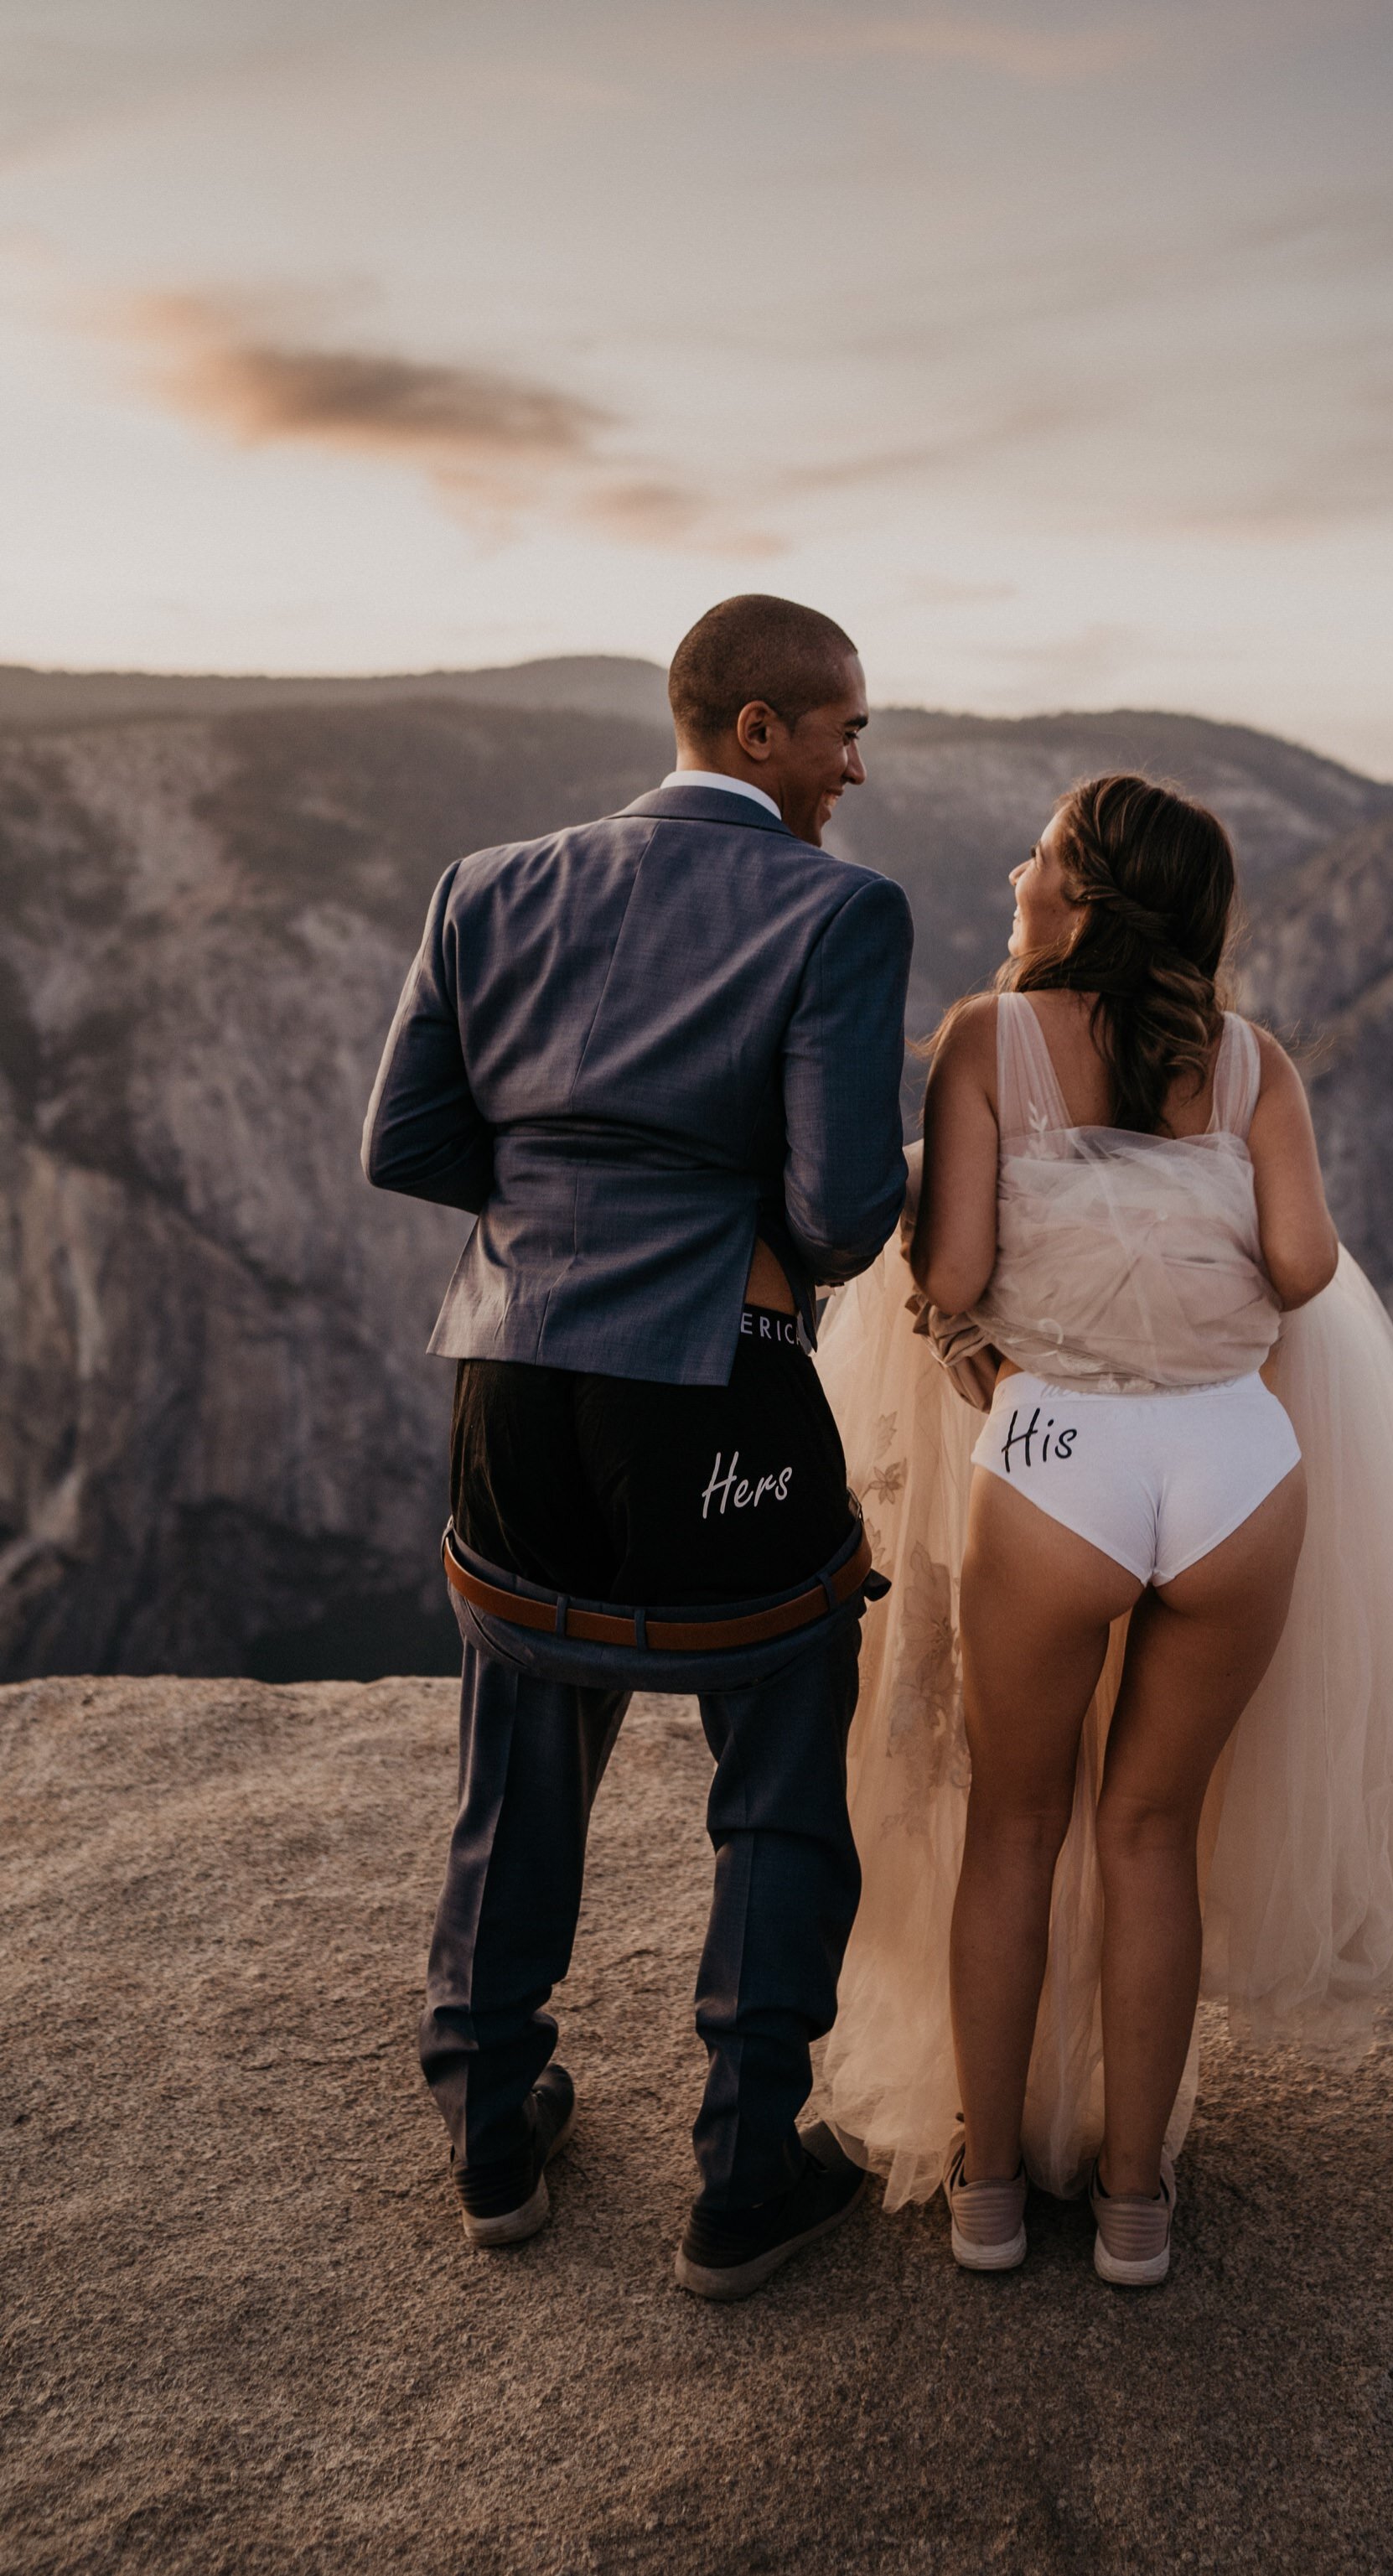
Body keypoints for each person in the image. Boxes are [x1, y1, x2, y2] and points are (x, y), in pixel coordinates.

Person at [815, 770, 1393, 2286]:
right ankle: (1140, 2204)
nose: (1018, 869)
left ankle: (993, 2191)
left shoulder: (986, 1039)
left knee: (1015, 1828)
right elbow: (1299, 1264)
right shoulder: (1251, 1064)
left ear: (1081, 893)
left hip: (1057, 1452)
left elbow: (951, 1267)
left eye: (1040, 853)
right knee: (1156, 1832)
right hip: (1234, 1467)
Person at [362, 593, 914, 2299]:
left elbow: (410, 1136)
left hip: (512, 1380)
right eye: (842, 729)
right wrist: (716, 1229)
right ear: (758, 731)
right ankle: (743, 2175)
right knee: (781, 1746)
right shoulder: (837, 910)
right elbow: (835, 1212)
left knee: (517, 1737)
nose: (855, 765)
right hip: (716, 1389)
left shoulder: (487, 882)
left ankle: (489, 2127)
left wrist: (568, 1225)